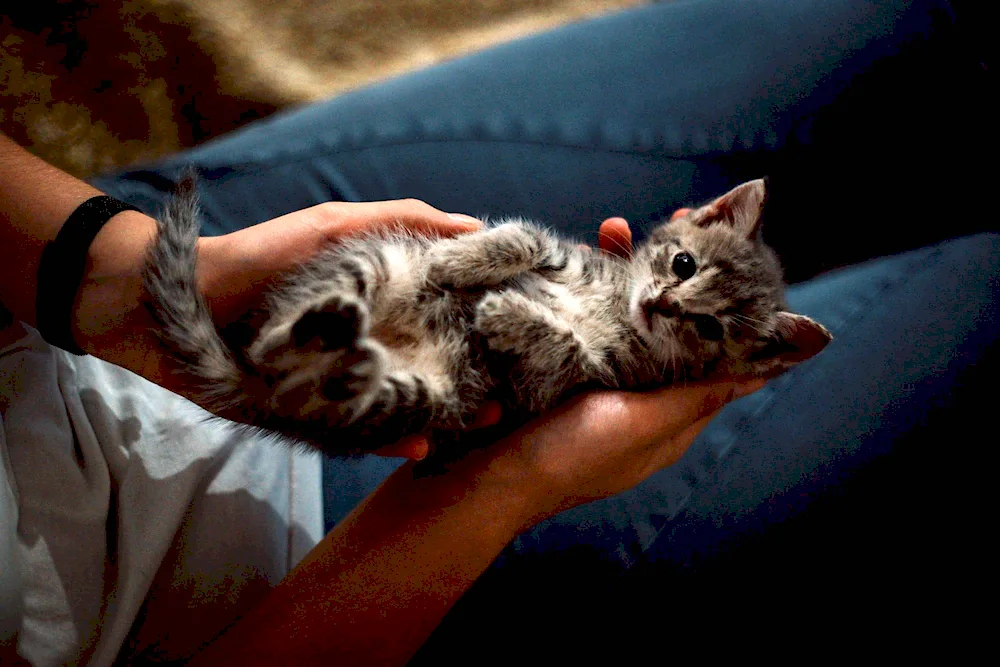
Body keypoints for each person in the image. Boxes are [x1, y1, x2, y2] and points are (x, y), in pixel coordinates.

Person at [1, 0, 995, 663]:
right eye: (687, 277)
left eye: (702, 314)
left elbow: (507, 267)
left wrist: (105, 272)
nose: (670, 301)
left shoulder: (662, 268)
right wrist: (507, 486)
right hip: (290, 564)